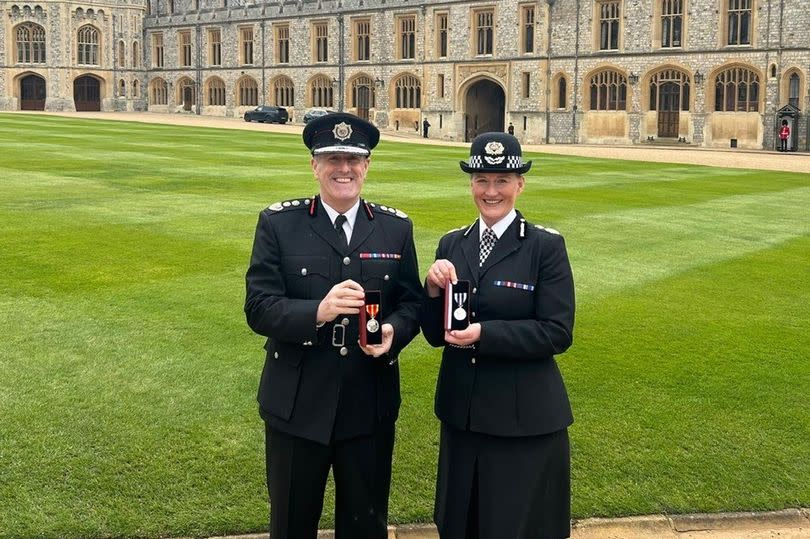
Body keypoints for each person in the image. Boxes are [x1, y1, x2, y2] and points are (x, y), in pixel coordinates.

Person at [245, 112, 423, 539]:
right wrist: (317, 312)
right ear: (314, 165)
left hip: (368, 401)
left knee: (365, 524)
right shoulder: (279, 224)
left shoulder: (395, 229)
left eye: (354, 159)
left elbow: (412, 303)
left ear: (367, 166)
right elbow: (259, 307)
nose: (344, 169)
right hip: (297, 402)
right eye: (332, 158)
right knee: (291, 522)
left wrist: (395, 333)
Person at [420, 132, 576, 539]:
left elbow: (557, 332)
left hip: (521, 418)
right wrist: (433, 290)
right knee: (460, 523)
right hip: (464, 414)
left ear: (520, 184)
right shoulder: (452, 243)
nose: (491, 191)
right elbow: (436, 335)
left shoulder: (545, 246)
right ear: (471, 183)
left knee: (514, 526)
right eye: (481, 180)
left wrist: (484, 334)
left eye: (502, 180)